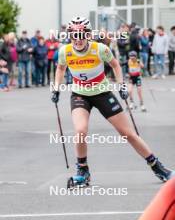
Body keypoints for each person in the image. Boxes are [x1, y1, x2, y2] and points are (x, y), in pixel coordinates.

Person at [51, 16, 175, 184]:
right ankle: (83, 170)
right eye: (74, 35)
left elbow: (116, 65)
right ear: (70, 36)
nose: (78, 40)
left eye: (82, 35)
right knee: (80, 131)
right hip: (80, 94)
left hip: (102, 93)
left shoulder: (100, 49)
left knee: (128, 133)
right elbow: (60, 68)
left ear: (88, 35)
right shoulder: (65, 51)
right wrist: (56, 88)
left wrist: (121, 85)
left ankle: (157, 166)